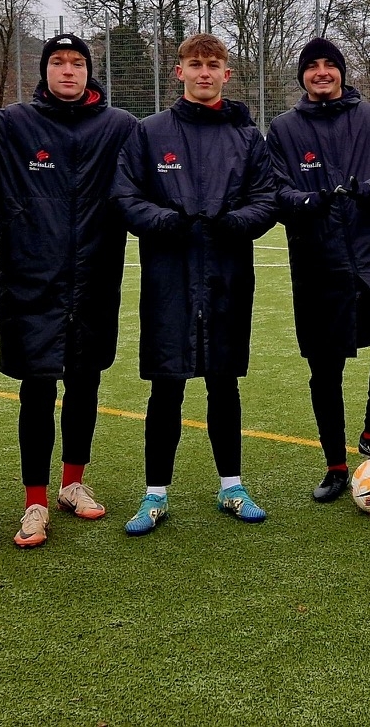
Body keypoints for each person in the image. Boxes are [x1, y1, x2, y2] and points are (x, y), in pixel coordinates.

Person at [111, 33, 279, 535]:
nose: (204, 72)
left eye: (213, 64)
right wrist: (165, 222)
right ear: (179, 71)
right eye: (195, 64)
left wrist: (235, 223)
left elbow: (266, 198)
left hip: (228, 276)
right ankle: (155, 494)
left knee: (224, 383)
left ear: (227, 74)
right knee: (167, 384)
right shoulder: (149, 132)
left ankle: (232, 486)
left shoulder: (247, 137)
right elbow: (125, 195)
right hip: (170, 276)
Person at [0, 33, 137, 549]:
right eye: (58, 62)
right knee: (37, 390)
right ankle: (35, 500)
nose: (67, 70)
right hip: (31, 283)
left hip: (95, 281)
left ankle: (73, 483)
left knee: (85, 384)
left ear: (89, 71)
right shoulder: (12, 124)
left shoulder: (119, 126)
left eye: (76, 62)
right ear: (44, 70)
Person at [267, 37, 370, 503]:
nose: (321, 72)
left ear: (341, 72)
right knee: (325, 366)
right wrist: (307, 201)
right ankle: (334, 466)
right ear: (302, 76)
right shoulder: (284, 128)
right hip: (318, 262)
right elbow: (275, 190)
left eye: (329, 65)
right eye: (312, 66)